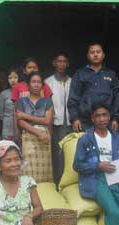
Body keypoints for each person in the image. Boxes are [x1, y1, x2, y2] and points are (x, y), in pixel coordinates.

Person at [68, 42, 119, 132]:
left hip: (107, 121)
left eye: (98, 52)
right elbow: (73, 98)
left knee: (106, 146)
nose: (95, 54)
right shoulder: (80, 74)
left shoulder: (111, 74)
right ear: (88, 56)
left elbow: (117, 98)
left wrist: (116, 118)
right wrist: (75, 118)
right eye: (92, 52)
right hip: (84, 121)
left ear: (103, 55)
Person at [15, 71, 54, 183]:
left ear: (42, 85)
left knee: (45, 170)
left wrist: (25, 115)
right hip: (29, 137)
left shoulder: (47, 102)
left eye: (39, 82)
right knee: (29, 168)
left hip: (44, 139)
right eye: (33, 82)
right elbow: (21, 122)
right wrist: (37, 132)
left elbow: (47, 120)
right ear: (28, 85)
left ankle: (45, 195)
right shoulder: (21, 102)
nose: (36, 85)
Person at [45, 52, 72, 185]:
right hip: (56, 123)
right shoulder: (48, 82)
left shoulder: (72, 81)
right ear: (54, 63)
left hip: (71, 123)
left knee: (71, 153)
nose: (61, 64)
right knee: (58, 155)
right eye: (59, 61)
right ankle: (59, 182)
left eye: (64, 61)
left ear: (67, 64)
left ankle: (69, 183)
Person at [0, 68, 19, 140]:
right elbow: (0, 112)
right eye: (10, 78)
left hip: (22, 125)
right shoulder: (4, 94)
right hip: (8, 127)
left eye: (15, 77)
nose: (13, 80)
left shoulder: (25, 93)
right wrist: (7, 120)